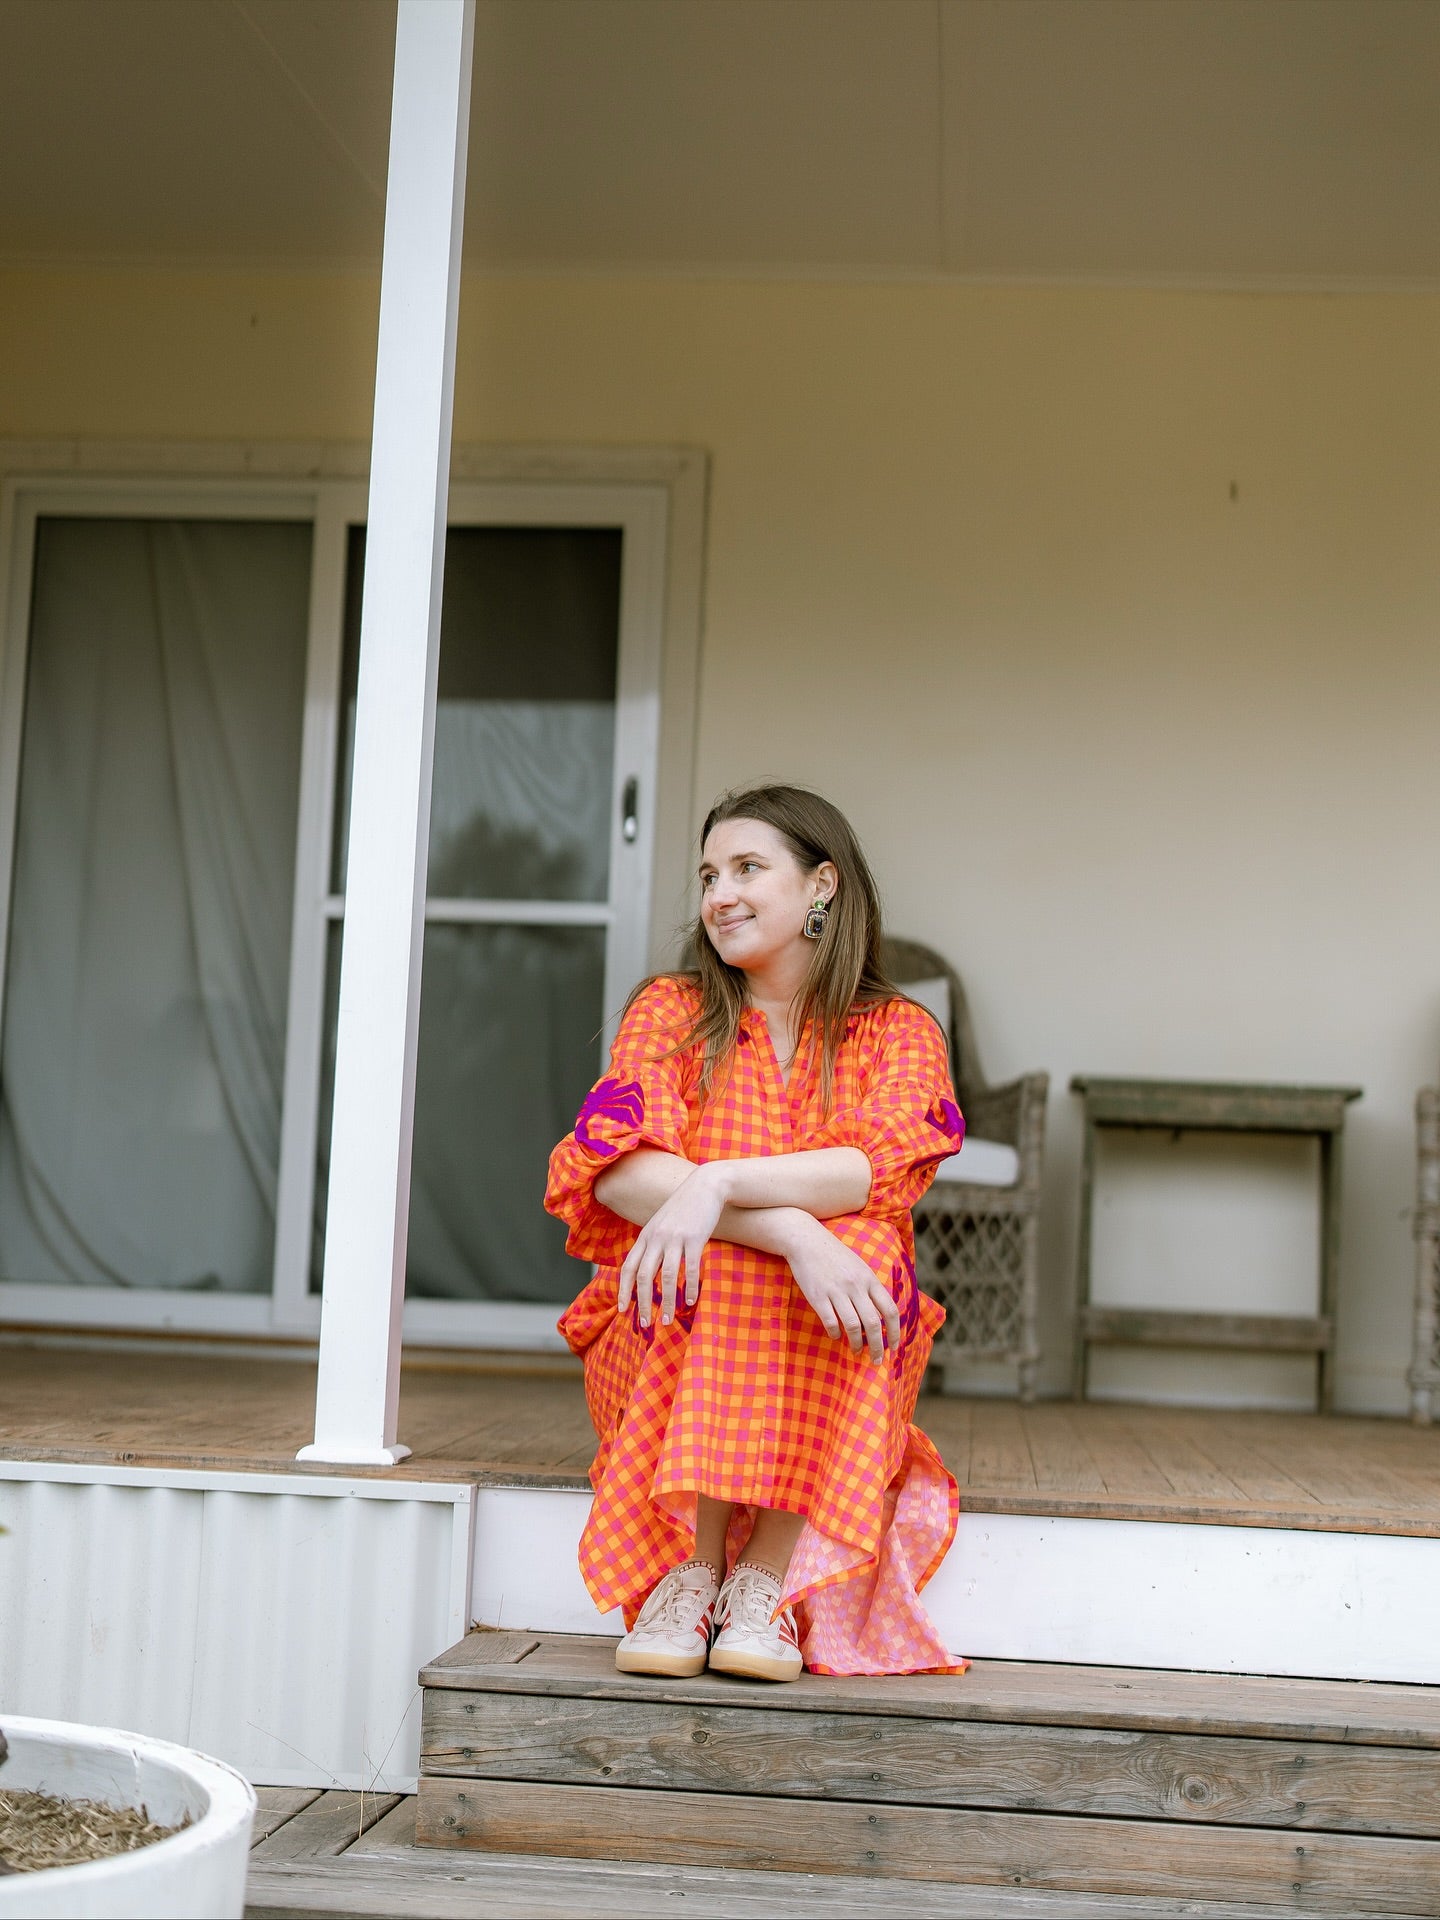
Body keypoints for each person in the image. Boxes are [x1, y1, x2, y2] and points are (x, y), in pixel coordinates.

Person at [545, 784, 966, 1682]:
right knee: (745, 1258)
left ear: (822, 885)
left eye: (746, 869)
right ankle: (692, 1572)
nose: (720, 895)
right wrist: (794, 1235)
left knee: (862, 1249)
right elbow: (615, 1169)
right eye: (709, 876)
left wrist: (717, 1183)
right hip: (664, 1320)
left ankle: (761, 1581)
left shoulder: (897, 1032)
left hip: (829, 1330)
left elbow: (874, 1170)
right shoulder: (672, 1010)